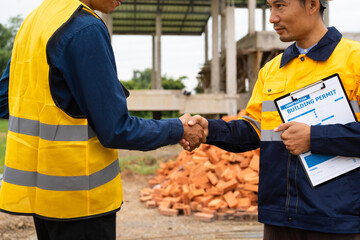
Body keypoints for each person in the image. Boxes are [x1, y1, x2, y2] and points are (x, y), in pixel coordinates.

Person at [0, 0, 205, 239]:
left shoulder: (35, 22)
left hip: (44, 201)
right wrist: (177, 128)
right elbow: (116, 129)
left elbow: (6, 100)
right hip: (81, 202)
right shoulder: (84, 28)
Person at [184, 0, 360, 239]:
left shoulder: (354, 60)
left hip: (338, 220)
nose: (272, 18)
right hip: (279, 219)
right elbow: (254, 129)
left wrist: (315, 138)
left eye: (280, 6)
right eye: (270, 7)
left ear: (311, 5)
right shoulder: (271, 70)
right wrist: (209, 130)